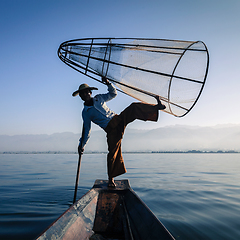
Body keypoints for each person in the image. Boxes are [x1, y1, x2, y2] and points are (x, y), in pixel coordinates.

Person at [72, 76, 166, 187]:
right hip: (111, 130)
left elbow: (113, 94)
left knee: (134, 107)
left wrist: (108, 83)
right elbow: (87, 130)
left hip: (118, 119)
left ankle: (156, 107)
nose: (84, 95)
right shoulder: (86, 112)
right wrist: (81, 145)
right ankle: (111, 179)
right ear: (81, 97)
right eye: (82, 94)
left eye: (86, 92)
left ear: (90, 93)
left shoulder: (99, 98)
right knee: (112, 153)